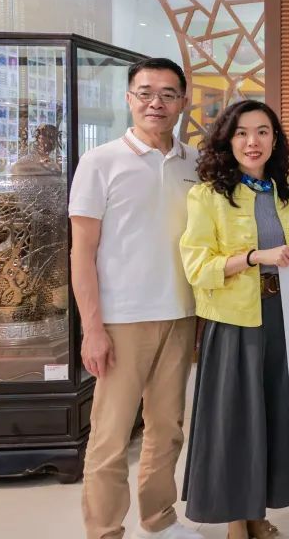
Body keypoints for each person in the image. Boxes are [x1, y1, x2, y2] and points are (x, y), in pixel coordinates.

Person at [70, 58, 201, 539]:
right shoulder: (100, 161)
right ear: (129, 99)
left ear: (183, 102)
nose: (156, 103)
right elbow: (81, 252)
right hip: (121, 320)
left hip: (181, 314)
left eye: (168, 94)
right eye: (145, 92)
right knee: (110, 437)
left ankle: (160, 519)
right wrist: (92, 329)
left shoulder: (194, 163)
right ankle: (104, 530)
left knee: (167, 430)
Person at [179, 100, 289, 539]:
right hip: (234, 322)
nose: (253, 142)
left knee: (270, 419)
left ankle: (258, 514)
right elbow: (197, 266)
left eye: (263, 132)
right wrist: (253, 257)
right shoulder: (208, 195)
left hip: (282, 319)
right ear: (228, 140)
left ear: (275, 139)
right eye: (242, 133)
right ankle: (237, 520)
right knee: (235, 423)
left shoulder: (286, 192)